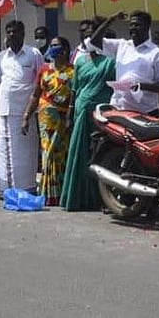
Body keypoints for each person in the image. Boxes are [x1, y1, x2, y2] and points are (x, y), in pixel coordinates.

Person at [61, 29, 117, 211]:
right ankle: (77, 197)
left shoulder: (111, 62)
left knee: (99, 154)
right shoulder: (80, 61)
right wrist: (70, 113)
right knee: (79, 153)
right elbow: (75, 90)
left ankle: (99, 198)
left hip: (100, 114)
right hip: (80, 112)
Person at [0, 20, 44, 195]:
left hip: (24, 112)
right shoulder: (1, 57)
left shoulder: (33, 54)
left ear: (23, 33)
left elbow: (40, 82)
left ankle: (25, 186)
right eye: (9, 32)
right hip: (5, 110)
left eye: (15, 32)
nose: (12, 35)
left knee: (24, 150)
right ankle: (3, 187)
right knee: (3, 149)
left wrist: (31, 113)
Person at [23, 37, 74, 206]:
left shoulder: (73, 71)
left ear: (65, 49)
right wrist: (26, 116)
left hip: (64, 119)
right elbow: (35, 94)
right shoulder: (44, 70)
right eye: (51, 46)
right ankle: (47, 193)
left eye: (55, 46)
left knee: (61, 155)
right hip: (45, 118)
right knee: (48, 153)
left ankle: (61, 193)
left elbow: (74, 96)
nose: (52, 48)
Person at [89, 11, 159, 115]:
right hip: (118, 109)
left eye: (137, 25)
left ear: (147, 27)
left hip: (143, 113)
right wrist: (111, 19)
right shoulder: (122, 45)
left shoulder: (158, 54)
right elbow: (94, 42)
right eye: (131, 25)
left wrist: (139, 86)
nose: (133, 27)